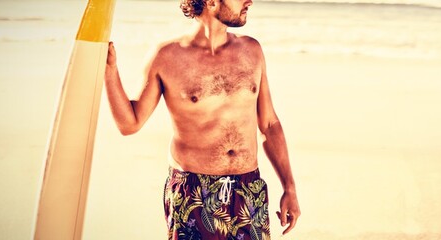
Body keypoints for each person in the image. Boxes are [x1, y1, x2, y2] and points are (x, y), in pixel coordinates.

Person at [104, 0, 300, 238]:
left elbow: (269, 124)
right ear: (211, 2)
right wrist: (110, 71)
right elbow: (130, 123)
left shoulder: (252, 50)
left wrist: (289, 187)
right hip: (194, 191)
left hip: (248, 188)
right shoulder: (168, 57)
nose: (249, 1)